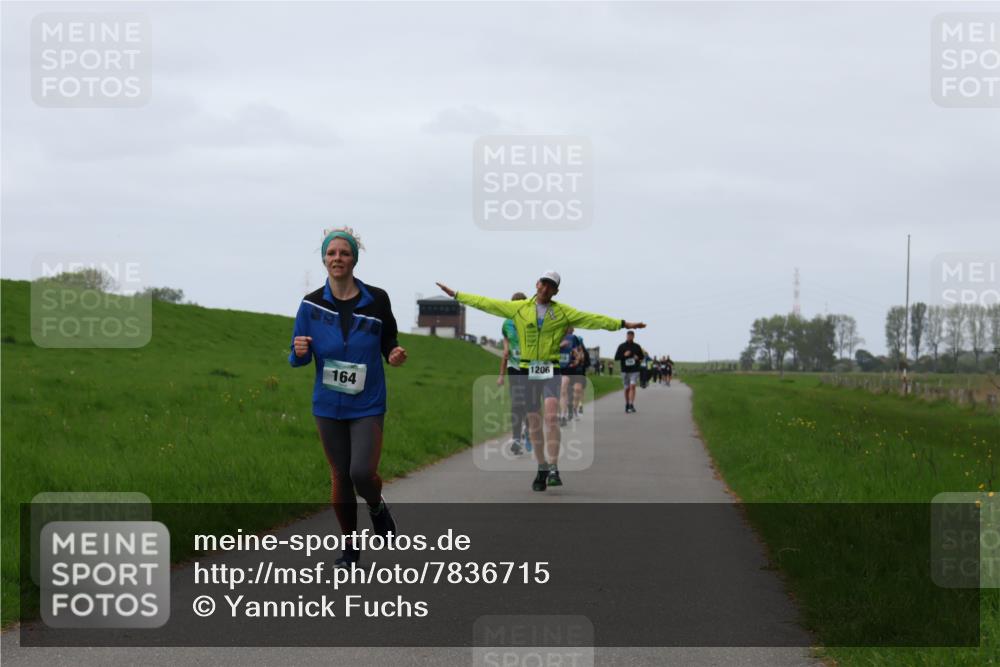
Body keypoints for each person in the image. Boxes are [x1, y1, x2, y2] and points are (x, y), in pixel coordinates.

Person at [436, 271, 645, 491]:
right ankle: (542, 466)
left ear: (556, 291)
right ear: (536, 284)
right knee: (534, 421)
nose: (545, 289)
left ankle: (554, 467)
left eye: (550, 286)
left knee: (552, 416)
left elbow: (593, 319)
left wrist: (622, 324)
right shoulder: (519, 307)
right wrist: (456, 295)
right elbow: (487, 303)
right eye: (543, 284)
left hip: (550, 368)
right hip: (526, 369)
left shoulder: (562, 312)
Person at [290, 227, 407, 567]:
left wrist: (394, 353)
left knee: (361, 473)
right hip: (327, 403)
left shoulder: (377, 299)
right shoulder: (310, 305)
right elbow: (298, 356)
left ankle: (376, 506)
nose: (337, 258)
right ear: (324, 259)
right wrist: (297, 351)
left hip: (367, 402)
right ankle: (350, 549)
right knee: (340, 475)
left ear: (354, 258)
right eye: (331, 253)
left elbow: (389, 341)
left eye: (344, 253)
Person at [498, 292, 530, 455]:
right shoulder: (506, 323)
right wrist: (505, 349)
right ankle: (517, 438)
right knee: (517, 402)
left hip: (530, 366)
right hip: (514, 366)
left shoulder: (531, 322)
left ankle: (528, 431)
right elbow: (506, 339)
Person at [558, 326, 583, 426]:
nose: (572, 329)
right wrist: (559, 346)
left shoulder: (573, 338)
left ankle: (563, 416)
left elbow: (578, 352)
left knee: (563, 389)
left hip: (566, 369)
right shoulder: (553, 335)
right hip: (553, 367)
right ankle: (558, 412)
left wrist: (576, 360)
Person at [615, 331, 644, 413]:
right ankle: (627, 404)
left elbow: (642, 357)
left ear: (633, 336)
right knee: (627, 388)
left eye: (631, 336)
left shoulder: (637, 346)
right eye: (628, 336)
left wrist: (637, 357)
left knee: (633, 386)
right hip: (625, 370)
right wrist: (624, 355)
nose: (630, 337)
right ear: (626, 336)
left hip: (635, 370)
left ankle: (631, 404)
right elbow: (616, 358)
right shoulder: (621, 346)